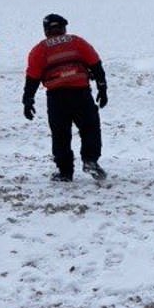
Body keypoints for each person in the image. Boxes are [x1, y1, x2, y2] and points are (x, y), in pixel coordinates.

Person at [22, 14, 108, 182]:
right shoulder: (77, 42)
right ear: (63, 28)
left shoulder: (40, 49)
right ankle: (90, 160)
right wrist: (102, 87)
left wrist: (28, 99)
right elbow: (96, 64)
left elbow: (32, 76)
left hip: (56, 97)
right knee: (90, 128)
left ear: (46, 30)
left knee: (60, 135)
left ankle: (65, 172)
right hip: (80, 93)